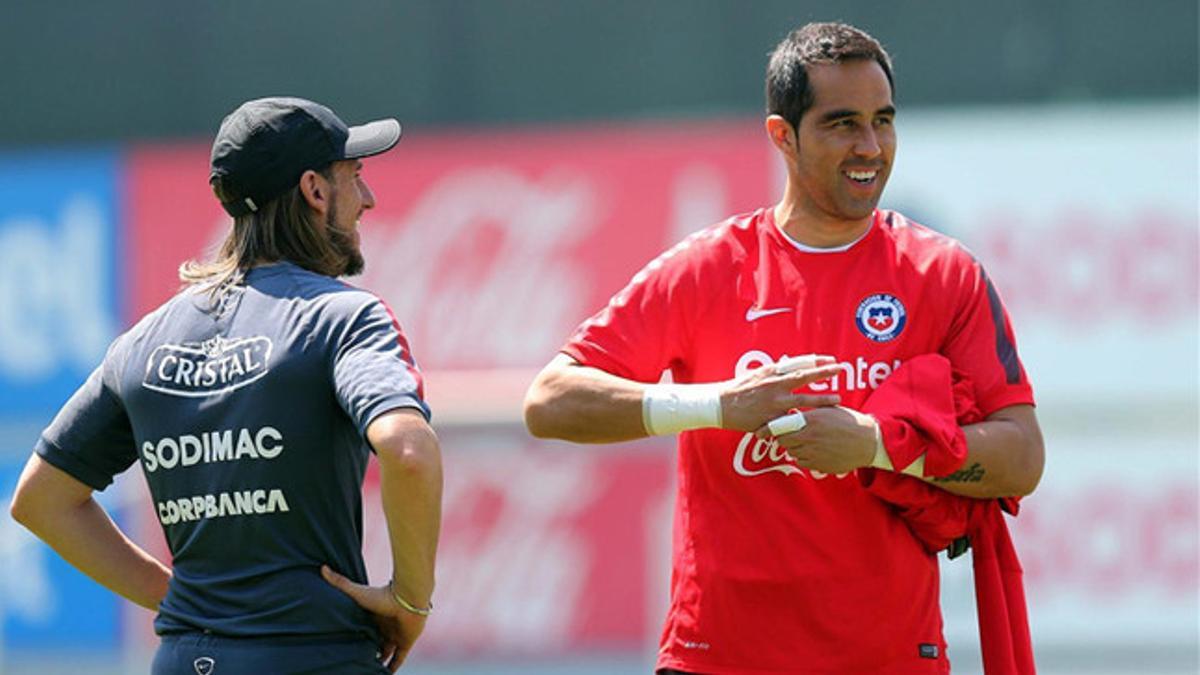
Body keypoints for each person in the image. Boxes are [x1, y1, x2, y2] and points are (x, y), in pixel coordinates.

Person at [524, 22, 1044, 674]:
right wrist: (718, 404)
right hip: (717, 659)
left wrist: (878, 444)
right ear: (782, 136)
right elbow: (550, 400)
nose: (871, 146)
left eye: (883, 121)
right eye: (842, 124)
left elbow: (1022, 458)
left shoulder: (943, 274)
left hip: (889, 660)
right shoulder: (709, 267)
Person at [9, 97, 442, 674]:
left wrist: (185, 604)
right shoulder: (344, 317)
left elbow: (41, 500)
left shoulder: (143, 341)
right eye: (354, 177)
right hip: (314, 656)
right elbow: (408, 451)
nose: (368, 199)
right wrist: (410, 600)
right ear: (314, 190)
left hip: (185, 659)